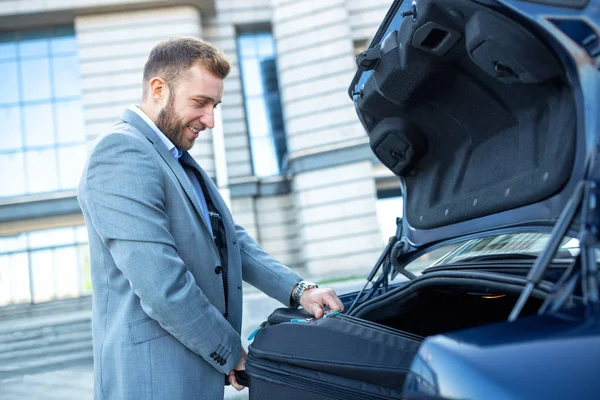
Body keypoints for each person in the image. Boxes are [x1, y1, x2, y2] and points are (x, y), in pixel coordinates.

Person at [77, 37, 344, 400]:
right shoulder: (121, 152)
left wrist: (299, 290)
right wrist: (230, 351)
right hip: (153, 380)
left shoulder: (173, 157)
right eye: (200, 103)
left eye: (215, 105)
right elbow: (162, 284)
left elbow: (230, 240)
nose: (210, 120)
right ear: (159, 89)